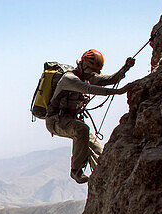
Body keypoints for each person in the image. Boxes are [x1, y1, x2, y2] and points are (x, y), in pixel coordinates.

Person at [46, 49, 136, 183]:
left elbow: (108, 80)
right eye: (90, 71)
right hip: (56, 121)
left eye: (93, 72)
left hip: (69, 120)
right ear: (82, 65)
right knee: (81, 129)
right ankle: (76, 171)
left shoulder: (86, 76)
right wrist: (118, 92)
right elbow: (88, 89)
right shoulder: (69, 79)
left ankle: (103, 177)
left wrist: (125, 68)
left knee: (100, 153)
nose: (91, 74)